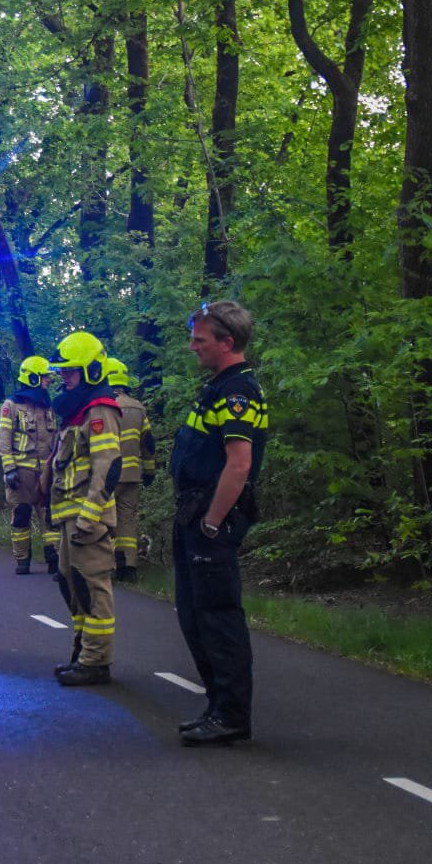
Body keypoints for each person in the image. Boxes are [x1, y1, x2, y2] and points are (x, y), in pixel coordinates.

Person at [171, 301, 269, 746]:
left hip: (212, 520)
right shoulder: (219, 386)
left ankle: (231, 714)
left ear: (228, 343)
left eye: (200, 340)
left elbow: (239, 464)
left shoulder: (237, 393)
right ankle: (218, 708)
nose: (193, 347)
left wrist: (212, 523)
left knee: (217, 617)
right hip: (195, 514)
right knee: (195, 616)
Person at [44, 332, 123, 686]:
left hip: (87, 518)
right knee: (69, 582)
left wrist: (90, 515)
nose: (65, 378)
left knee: (93, 587)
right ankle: (82, 649)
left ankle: (96, 660)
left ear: (90, 370)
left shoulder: (99, 409)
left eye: (71, 372)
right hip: (68, 516)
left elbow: (108, 465)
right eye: (62, 372)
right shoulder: (76, 412)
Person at [0, 356, 60, 575]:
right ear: (33, 378)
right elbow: (4, 441)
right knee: (21, 514)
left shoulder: (48, 405)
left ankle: (54, 559)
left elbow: (57, 438)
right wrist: (9, 469)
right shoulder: (11, 405)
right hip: (21, 473)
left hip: (46, 473)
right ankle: (22, 559)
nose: (48, 382)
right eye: (44, 378)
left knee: (50, 517)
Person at [105, 358, 156, 583]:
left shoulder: (103, 407)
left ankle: (106, 566)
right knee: (127, 519)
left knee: (103, 520)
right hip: (133, 475)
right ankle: (128, 568)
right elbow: (148, 442)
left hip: (107, 476)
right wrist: (149, 470)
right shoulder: (138, 407)